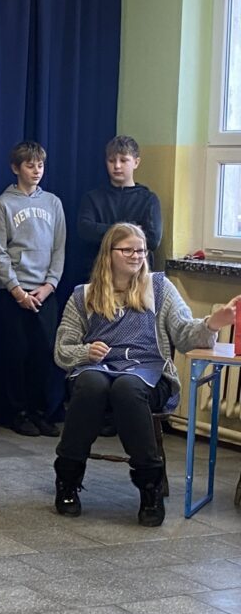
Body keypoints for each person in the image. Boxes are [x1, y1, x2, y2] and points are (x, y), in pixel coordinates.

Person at [53, 223, 239, 526]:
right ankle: (68, 480)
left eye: (140, 250)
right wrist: (86, 352)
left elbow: (185, 335)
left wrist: (212, 324)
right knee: (90, 383)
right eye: (127, 250)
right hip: (99, 368)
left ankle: (149, 486)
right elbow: (63, 349)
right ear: (109, 254)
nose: (136, 256)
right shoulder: (83, 296)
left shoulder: (160, 289)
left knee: (127, 388)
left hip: (147, 374)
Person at [0, 140, 66, 437]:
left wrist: (49, 286)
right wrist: (16, 290)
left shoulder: (53, 203)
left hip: (45, 292)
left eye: (40, 165)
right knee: (16, 353)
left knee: (43, 353)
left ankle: (40, 412)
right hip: (14, 293)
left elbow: (59, 248)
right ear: (15, 168)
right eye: (30, 165)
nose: (36, 171)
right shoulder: (3, 204)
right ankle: (17, 412)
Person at [78, 135, 162, 268]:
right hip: (101, 271)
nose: (117, 166)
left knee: (157, 278)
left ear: (136, 162)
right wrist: (133, 228)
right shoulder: (92, 198)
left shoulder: (149, 199)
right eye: (111, 160)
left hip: (137, 272)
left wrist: (105, 230)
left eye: (123, 160)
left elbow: (153, 240)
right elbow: (85, 231)